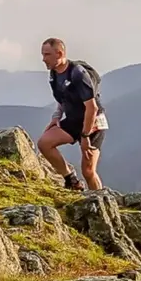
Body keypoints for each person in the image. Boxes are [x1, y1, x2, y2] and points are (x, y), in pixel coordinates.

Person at [36, 38, 107, 191]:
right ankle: (71, 180)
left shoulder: (78, 74)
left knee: (88, 171)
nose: (43, 59)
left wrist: (85, 136)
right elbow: (63, 99)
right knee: (44, 143)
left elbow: (92, 108)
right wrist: (56, 117)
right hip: (74, 120)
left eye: (47, 54)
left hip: (93, 122)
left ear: (59, 53)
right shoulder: (54, 74)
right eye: (43, 54)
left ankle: (100, 199)